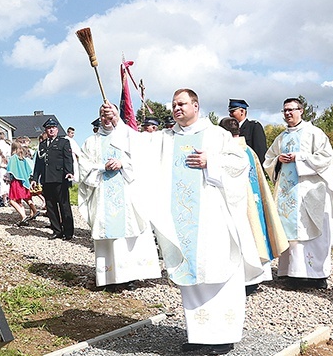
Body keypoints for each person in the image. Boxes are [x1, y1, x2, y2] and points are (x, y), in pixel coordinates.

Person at [102, 88, 263, 355]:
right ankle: (200, 335)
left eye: (182, 104)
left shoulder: (217, 135)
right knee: (192, 274)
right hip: (183, 222)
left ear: (196, 105)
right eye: (174, 104)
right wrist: (117, 120)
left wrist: (211, 161)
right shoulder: (166, 138)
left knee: (217, 271)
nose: (176, 108)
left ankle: (223, 337)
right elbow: (136, 142)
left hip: (213, 219)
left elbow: (240, 165)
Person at [263, 98, 333, 289]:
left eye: (291, 110)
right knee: (291, 232)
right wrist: (278, 159)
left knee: (311, 231)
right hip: (288, 192)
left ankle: (317, 276)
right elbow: (268, 159)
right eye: (284, 110)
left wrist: (298, 158)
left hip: (310, 192)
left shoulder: (314, 133)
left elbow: (325, 158)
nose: (287, 113)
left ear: (301, 111)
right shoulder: (282, 137)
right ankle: (293, 273)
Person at [78, 104, 161, 288]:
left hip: (127, 194)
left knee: (129, 237)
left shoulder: (127, 137)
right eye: (102, 114)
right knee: (109, 238)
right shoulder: (91, 142)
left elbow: (143, 157)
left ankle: (130, 276)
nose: (106, 118)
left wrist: (122, 163)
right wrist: (102, 167)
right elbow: (84, 167)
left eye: (110, 114)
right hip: (103, 194)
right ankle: (109, 278)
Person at [219, 117, 288, 295]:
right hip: (254, 201)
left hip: (236, 202)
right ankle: (256, 277)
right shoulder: (248, 150)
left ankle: (244, 279)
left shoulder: (226, 151)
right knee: (256, 234)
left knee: (241, 237)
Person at [33, 118, 75, 240]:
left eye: (53, 128)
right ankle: (57, 230)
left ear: (57, 129)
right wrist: (35, 178)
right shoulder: (42, 144)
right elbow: (38, 163)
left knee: (64, 205)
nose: (51, 130)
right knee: (50, 206)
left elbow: (68, 159)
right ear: (46, 130)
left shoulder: (63, 142)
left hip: (60, 179)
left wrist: (69, 172)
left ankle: (68, 232)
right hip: (46, 179)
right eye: (49, 128)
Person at [7, 141, 40, 227]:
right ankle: (34, 211)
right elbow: (29, 170)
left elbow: (10, 170)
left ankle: (24, 216)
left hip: (16, 181)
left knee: (12, 200)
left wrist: (7, 179)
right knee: (25, 197)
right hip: (24, 181)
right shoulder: (23, 159)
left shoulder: (13, 158)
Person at [228, 98, 267, 164]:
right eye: (229, 112)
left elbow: (260, 152)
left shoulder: (254, 127)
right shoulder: (228, 130)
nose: (230, 115)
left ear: (242, 112)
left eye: (232, 112)